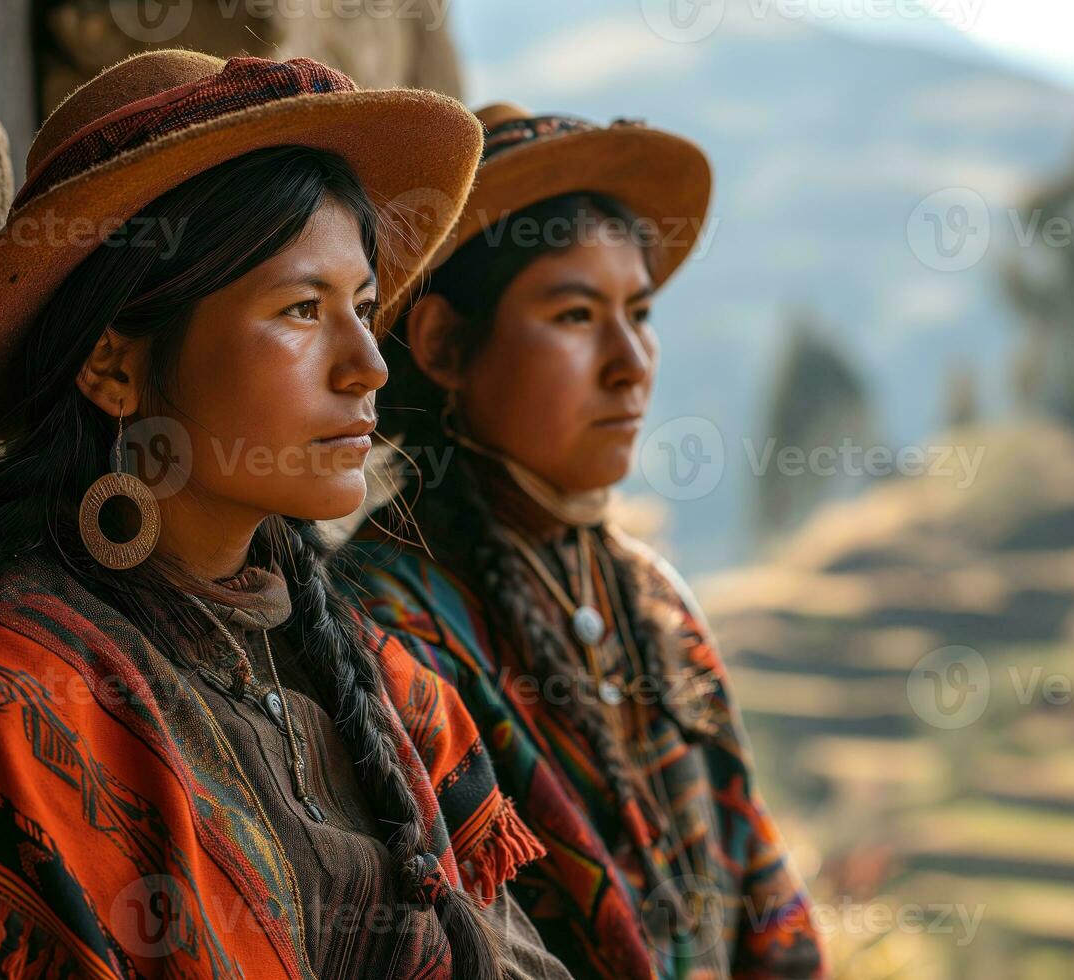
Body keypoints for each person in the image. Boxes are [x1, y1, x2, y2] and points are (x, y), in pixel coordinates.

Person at [0, 53, 570, 980]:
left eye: (363, 306)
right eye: (303, 309)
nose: (369, 365)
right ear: (113, 366)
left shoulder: (396, 697)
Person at [346, 103, 828, 978]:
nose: (631, 361)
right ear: (447, 344)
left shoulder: (653, 600)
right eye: (575, 316)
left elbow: (769, 916)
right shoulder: (384, 625)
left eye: (638, 314)